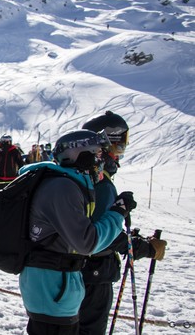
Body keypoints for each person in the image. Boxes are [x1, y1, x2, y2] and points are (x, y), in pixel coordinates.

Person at [18, 129, 134, 335]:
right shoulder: (62, 187)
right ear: (80, 153)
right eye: (97, 154)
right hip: (53, 292)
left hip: (55, 289)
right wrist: (118, 212)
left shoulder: (64, 182)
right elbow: (87, 242)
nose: (100, 160)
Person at [78, 111, 167, 335]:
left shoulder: (79, 174)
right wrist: (141, 247)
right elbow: (101, 236)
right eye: (119, 145)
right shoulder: (98, 180)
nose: (120, 154)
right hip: (93, 273)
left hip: (77, 270)